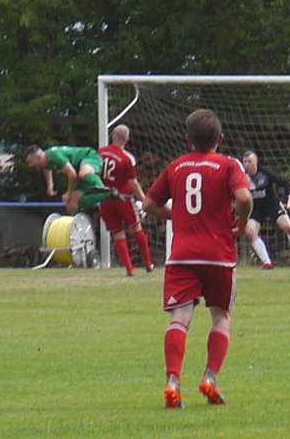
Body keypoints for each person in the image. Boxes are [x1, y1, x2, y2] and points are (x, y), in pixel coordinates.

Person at [143, 109, 252, 409]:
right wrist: (242, 223)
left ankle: (172, 381)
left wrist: (173, 213)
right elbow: (244, 198)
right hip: (218, 255)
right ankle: (210, 378)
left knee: (180, 318)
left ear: (187, 138)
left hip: (181, 256)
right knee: (221, 317)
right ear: (221, 138)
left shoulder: (176, 166)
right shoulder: (229, 164)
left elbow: (148, 203)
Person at [98, 125, 154, 276]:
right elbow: (133, 183)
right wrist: (144, 199)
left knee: (117, 233)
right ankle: (148, 263)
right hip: (124, 198)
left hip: (105, 198)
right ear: (127, 139)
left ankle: (129, 269)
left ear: (112, 136)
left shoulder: (100, 153)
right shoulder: (127, 158)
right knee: (136, 228)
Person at [241, 150, 290, 268]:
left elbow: (286, 184)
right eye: (245, 162)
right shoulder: (241, 176)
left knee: (288, 227)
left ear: (256, 162)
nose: (247, 164)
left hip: (272, 205)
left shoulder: (266, 173)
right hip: (255, 209)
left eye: (250, 161)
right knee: (251, 232)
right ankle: (267, 263)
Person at [24, 145, 122, 213]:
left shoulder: (54, 155)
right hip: (78, 170)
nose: (30, 165)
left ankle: (101, 187)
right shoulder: (46, 161)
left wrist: (68, 193)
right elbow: (47, 169)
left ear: (37, 157)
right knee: (73, 204)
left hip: (89, 157)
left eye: (30, 162)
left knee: (83, 173)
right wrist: (50, 186)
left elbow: (72, 174)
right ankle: (109, 194)